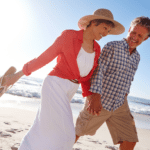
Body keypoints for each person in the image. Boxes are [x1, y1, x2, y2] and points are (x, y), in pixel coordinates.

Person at [1, 9, 124, 150]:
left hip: (70, 90)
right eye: (105, 28)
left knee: (44, 127)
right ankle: (9, 79)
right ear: (94, 22)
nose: (106, 33)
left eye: (109, 31)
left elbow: (85, 78)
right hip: (55, 84)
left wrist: (90, 97)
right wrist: (19, 75)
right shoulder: (69, 36)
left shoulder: (97, 48)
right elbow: (45, 57)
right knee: (68, 135)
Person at [75, 16, 150, 150]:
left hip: (120, 104)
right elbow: (99, 70)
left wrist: (125, 94)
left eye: (140, 35)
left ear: (146, 38)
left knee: (130, 139)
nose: (135, 37)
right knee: (76, 132)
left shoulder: (137, 58)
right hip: (100, 99)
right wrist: (95, 96)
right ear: (129, 30)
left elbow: (129, 78)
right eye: (133, 32)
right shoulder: (112, 46)